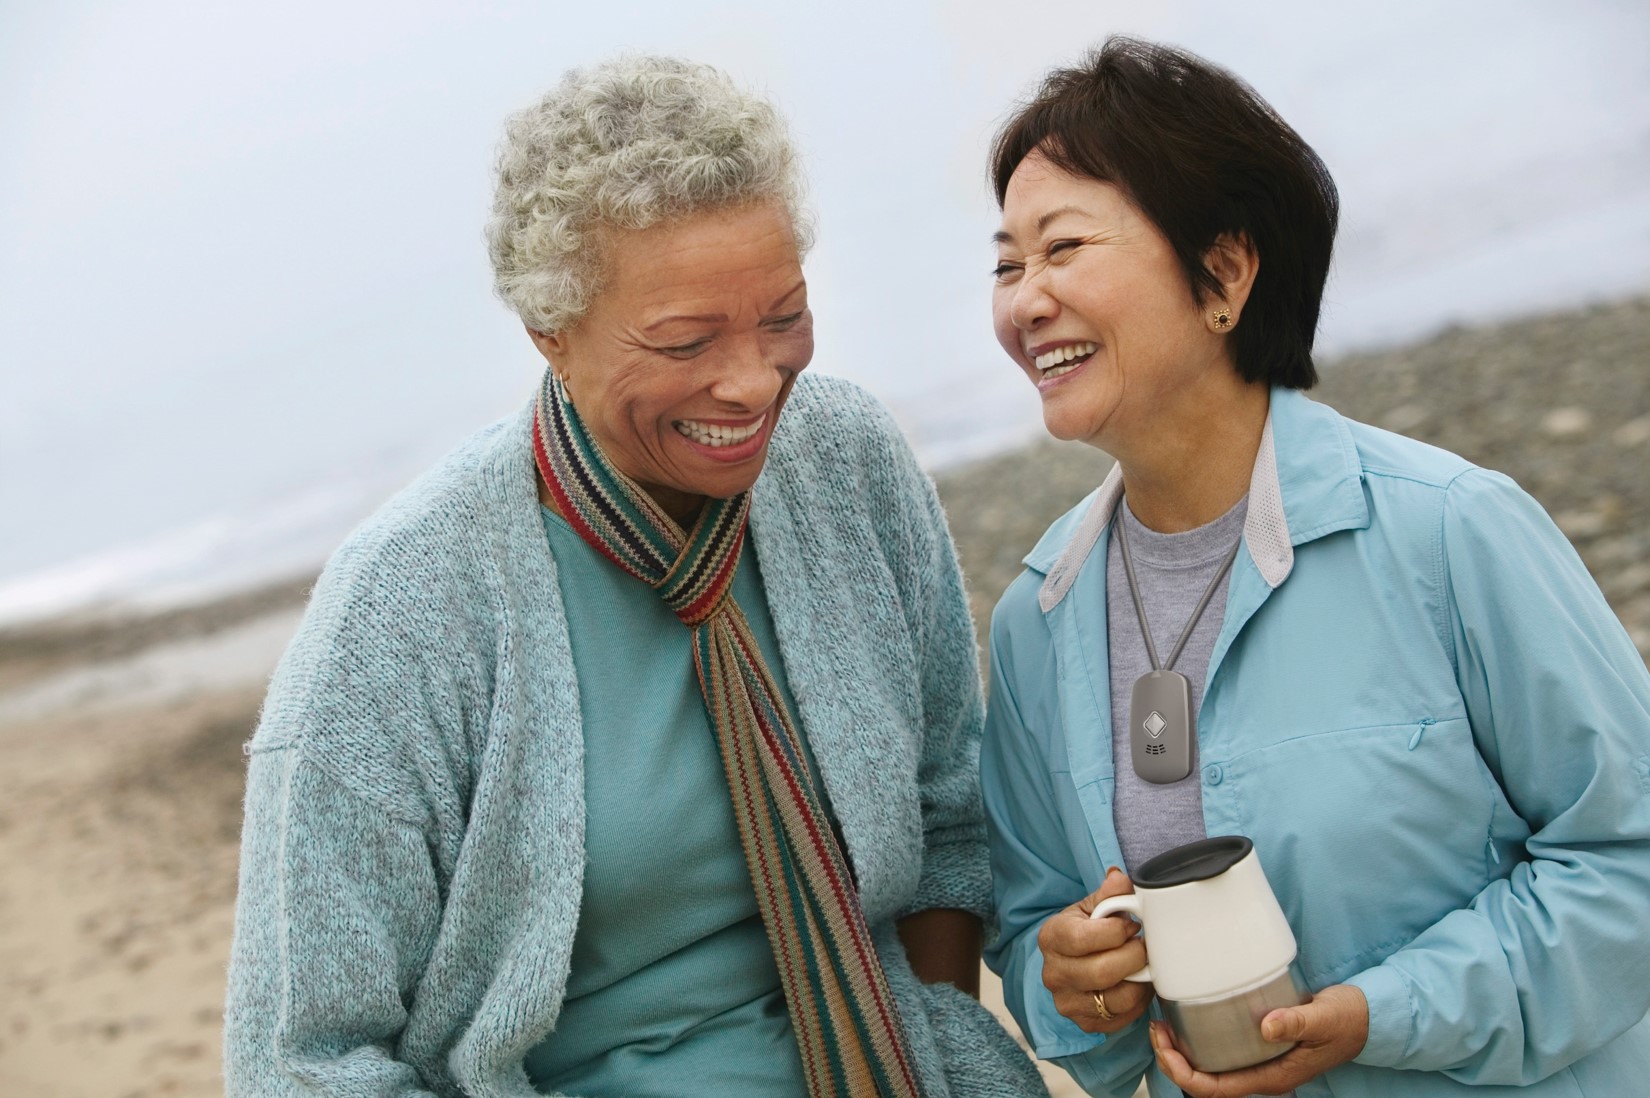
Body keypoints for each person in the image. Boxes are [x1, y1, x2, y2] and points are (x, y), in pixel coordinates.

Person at [223, 55, 1047, 1098]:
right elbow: (299, 1065)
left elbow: (946, 819)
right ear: (550, 334)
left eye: (783, 316)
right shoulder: (399, 616)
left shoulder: (845, 463)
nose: (752, 382)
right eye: (685, 340)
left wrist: (929, 1039)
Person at [979, 36, 1650, 1098]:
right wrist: (1076, 983)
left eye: (1064, 248)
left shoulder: (1449, 531)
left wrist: (1388, 1013)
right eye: (1008, 263)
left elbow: (1629, 863)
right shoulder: (1036, 621)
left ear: (1225, 273)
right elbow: (1033, 940)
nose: (1025, 301)